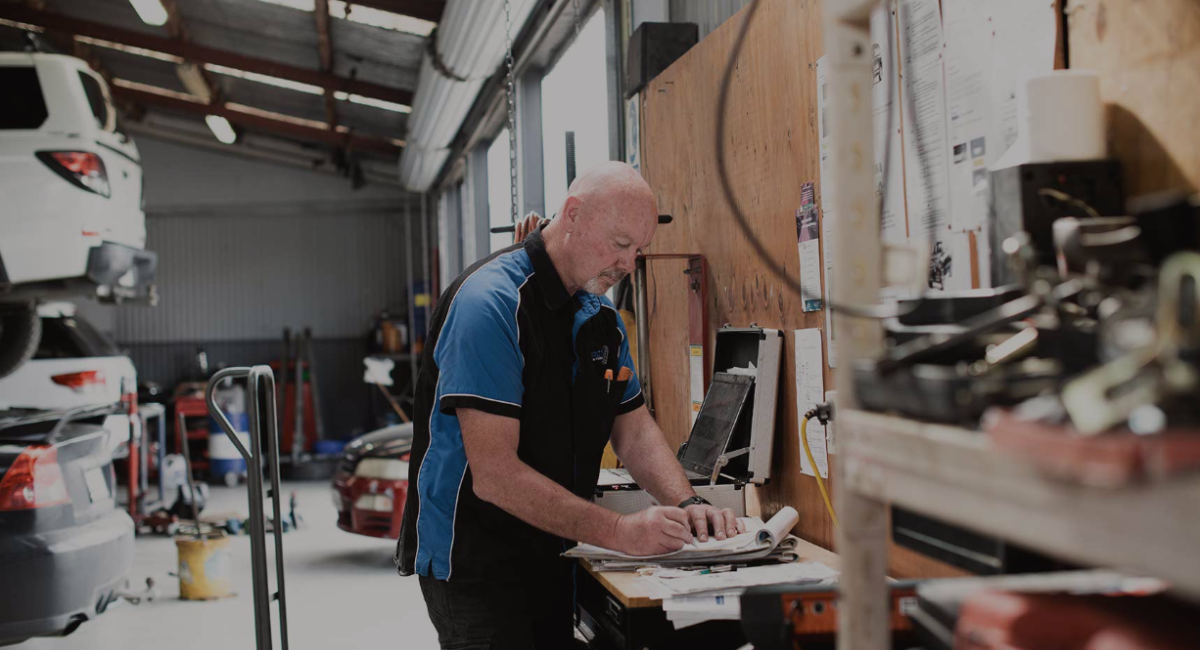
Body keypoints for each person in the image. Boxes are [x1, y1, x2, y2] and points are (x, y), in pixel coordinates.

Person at [396, 161, 743, 650]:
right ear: (573, 214)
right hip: (478, 565)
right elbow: (494, 474)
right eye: (620, 245)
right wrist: (622, 531)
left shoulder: (599, 315)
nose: (628, 265)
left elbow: (634, 428)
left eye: (639, 250)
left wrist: (685, 502)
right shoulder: (490, 305)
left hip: (553, 546)